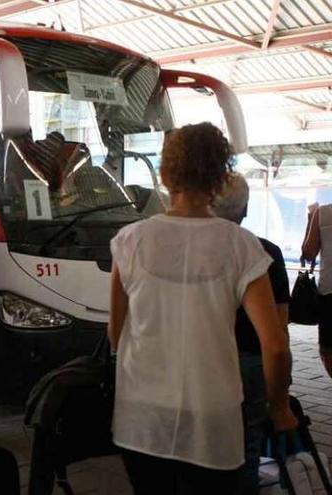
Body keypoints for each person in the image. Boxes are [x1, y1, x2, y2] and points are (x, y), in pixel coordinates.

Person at [108, 122, 296, 494]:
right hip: (213, 415)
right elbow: (275, 345)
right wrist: (278, 407)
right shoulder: (241, 246)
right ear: (219, 176)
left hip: (142, 414)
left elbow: (117, 333)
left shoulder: (130, 241)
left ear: (165, 174)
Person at [213, 172, 291, 495]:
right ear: (245, 210)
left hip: (207, 362)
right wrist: (281, 397)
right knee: (247, 450)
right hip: (252, 364)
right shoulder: (267, 252)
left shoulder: (191, 252)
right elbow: (279, 330)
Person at [302, 202, 332, 378]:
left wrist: (310, 218)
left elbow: (309, 253)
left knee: (328, 348)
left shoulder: (323, 213)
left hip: (330, 292)